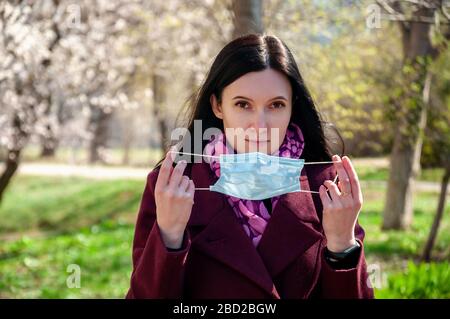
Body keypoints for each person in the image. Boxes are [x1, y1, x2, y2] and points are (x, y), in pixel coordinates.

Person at [126, 33, 374, 299]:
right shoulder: (173, 185)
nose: (260, 125)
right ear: (218, 105)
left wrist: (342, 246)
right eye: (243, 104)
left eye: (276, 105)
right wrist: (169, 236)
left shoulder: (326, 186)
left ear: (292, 107)